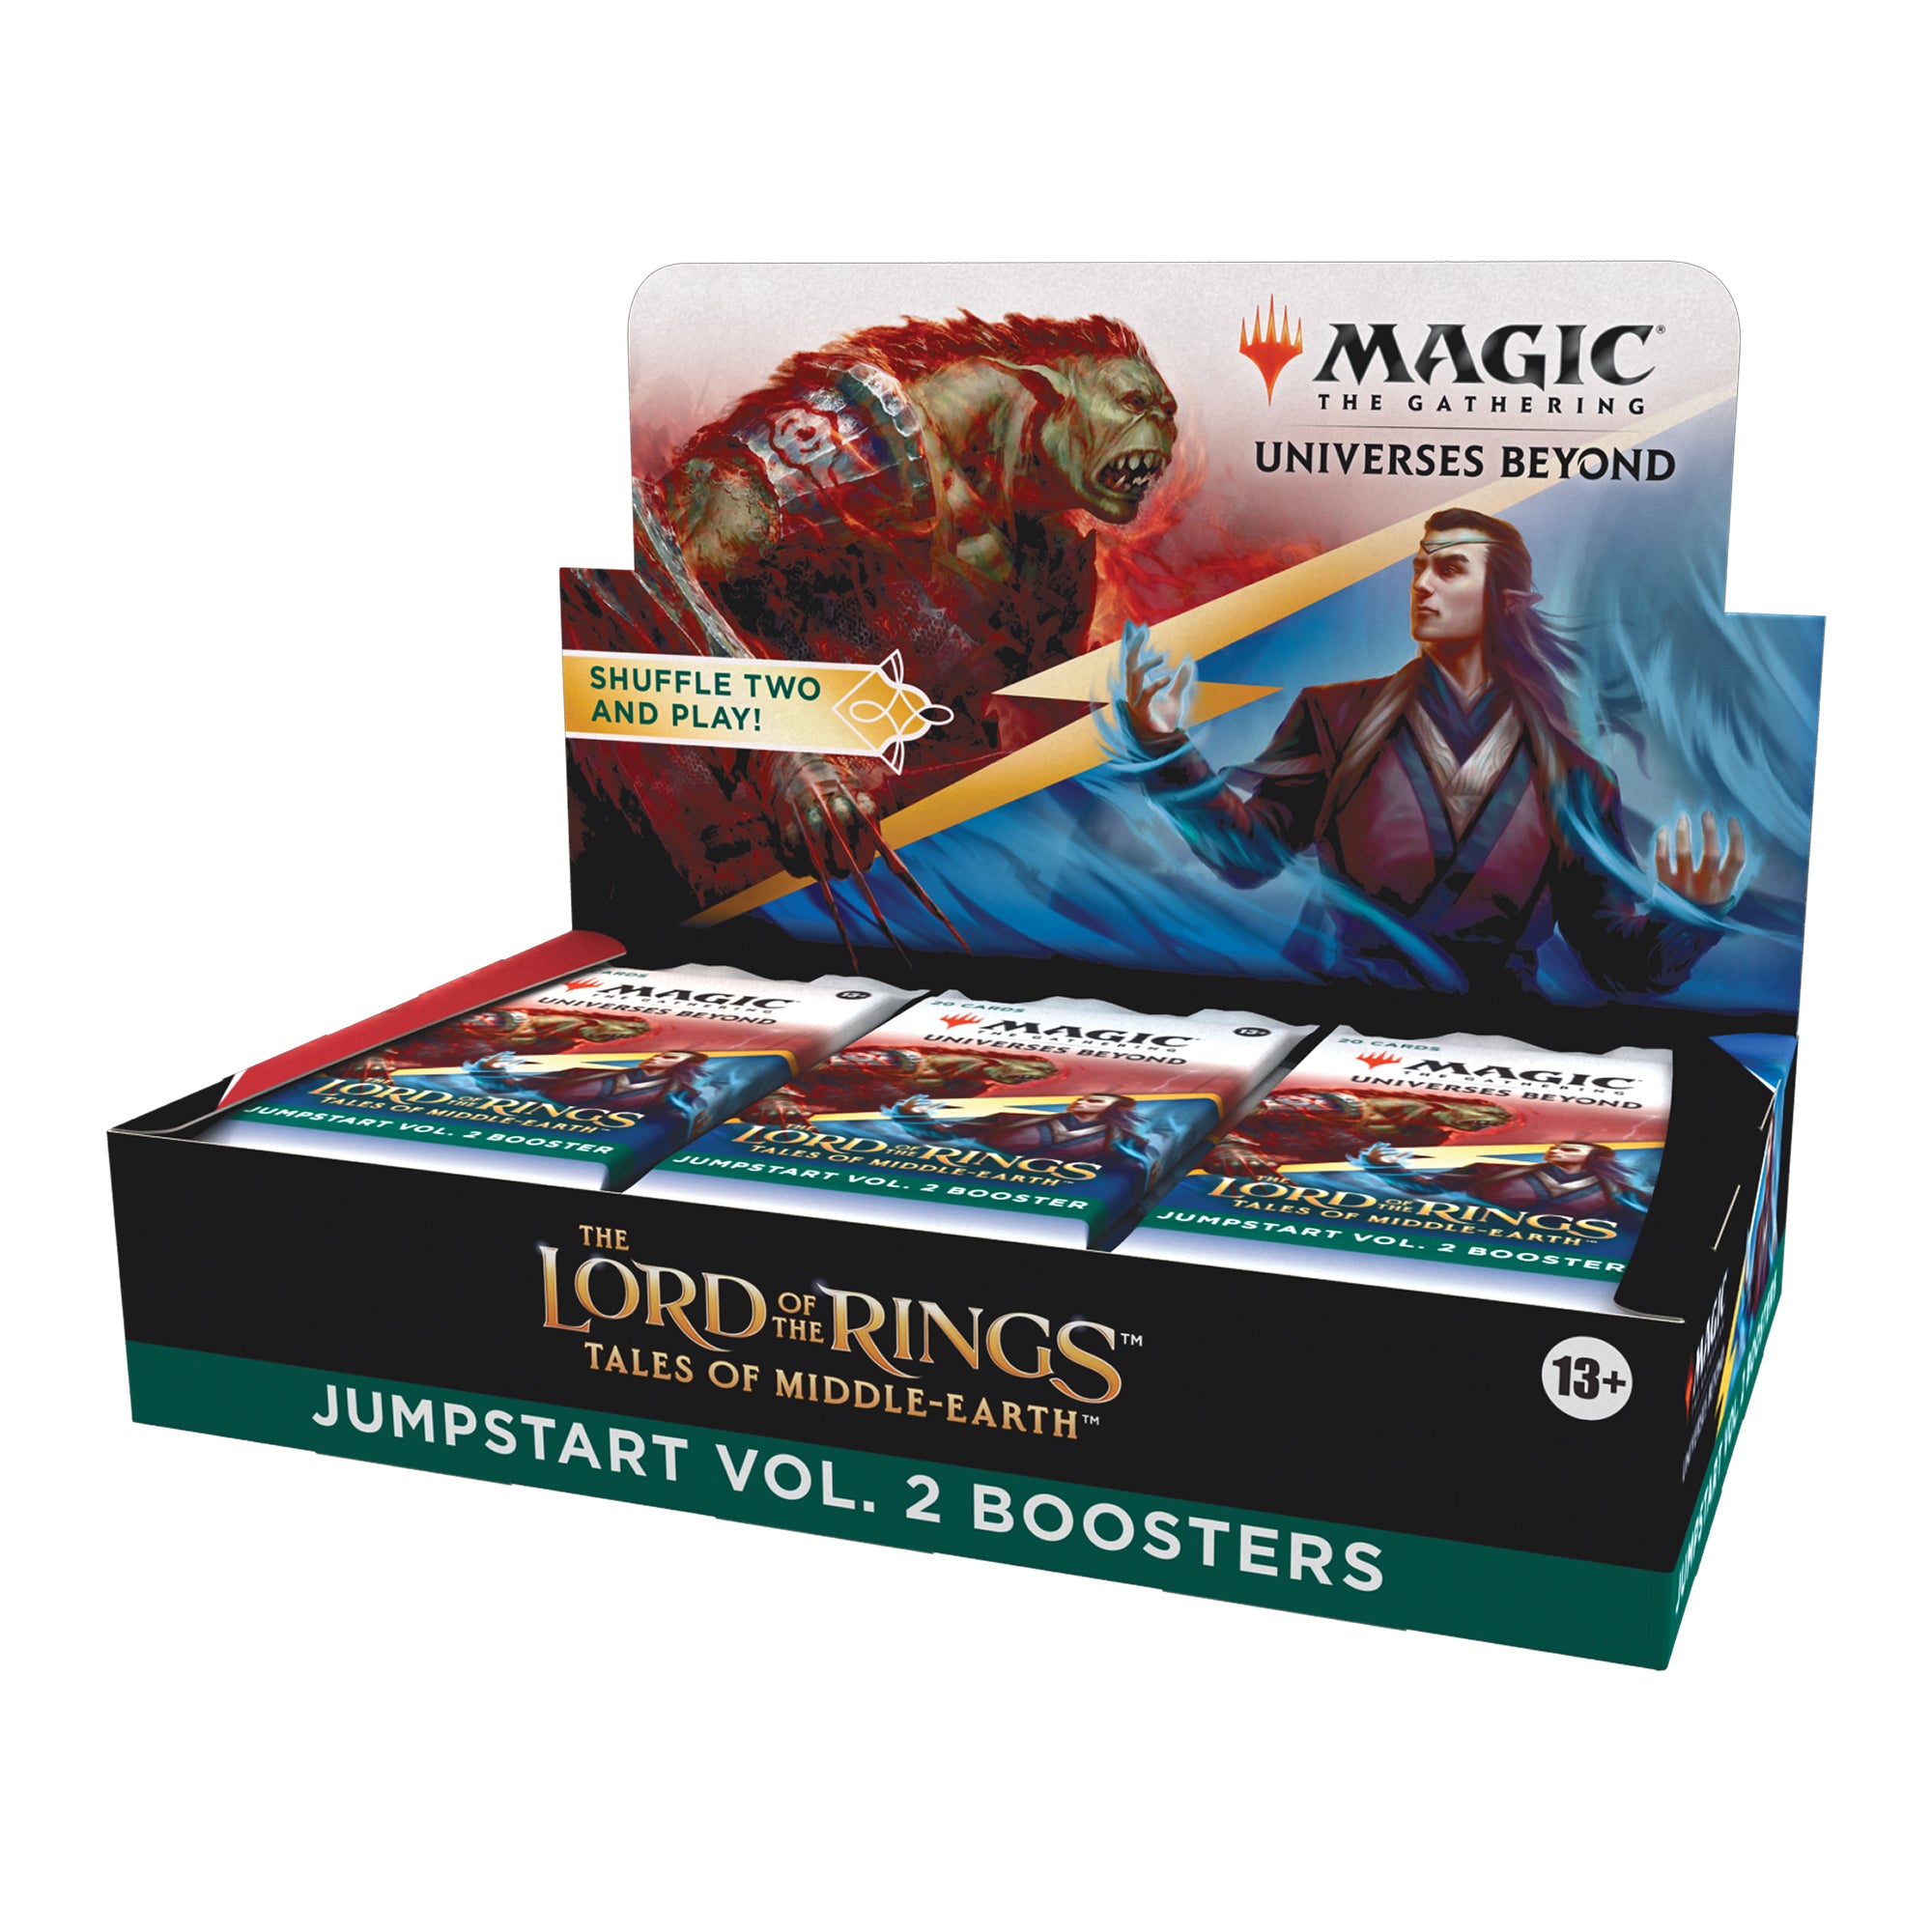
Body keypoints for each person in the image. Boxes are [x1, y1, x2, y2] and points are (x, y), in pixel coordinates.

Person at [1115, 507, 1747, 996]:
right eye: (1419, 566)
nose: (1422, 584)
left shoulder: (1576, 778)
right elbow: (1249, 854)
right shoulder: (1335, 716)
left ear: (1506, 601)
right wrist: (1166, 748)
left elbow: (1615, 962)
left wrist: (1691, 915)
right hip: (1348, 1018)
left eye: (1450, 569)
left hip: (1499, 1043)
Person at [1360, 1138, 1651, 1221]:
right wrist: (1381, 1166)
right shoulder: (1491, 1168)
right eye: (1555, 1147)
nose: (1556, 1150)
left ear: (1593, 1157)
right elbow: (1427, 1187)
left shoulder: (1616, 1191)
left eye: (1570, 1149)